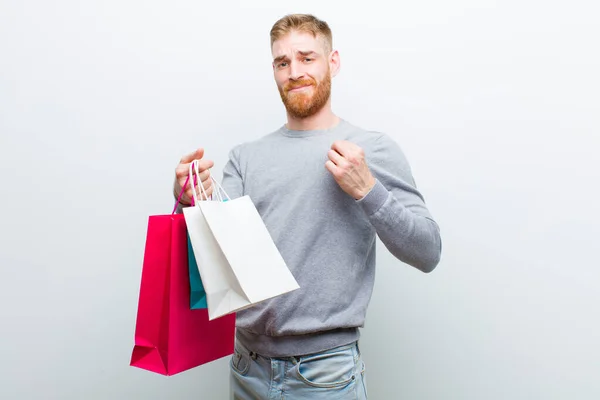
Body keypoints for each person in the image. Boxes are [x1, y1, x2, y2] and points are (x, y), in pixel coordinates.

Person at [173, 13, 442, 400]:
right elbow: (210, 267)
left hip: (326, 376)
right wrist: (189, 202)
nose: (294, 71)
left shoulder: (371, 148)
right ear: (274, 70)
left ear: (333, 61)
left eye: (307, 58)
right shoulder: (245, 158)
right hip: (247, 368)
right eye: (283, 62)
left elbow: (428, 251)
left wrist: (367, 189)